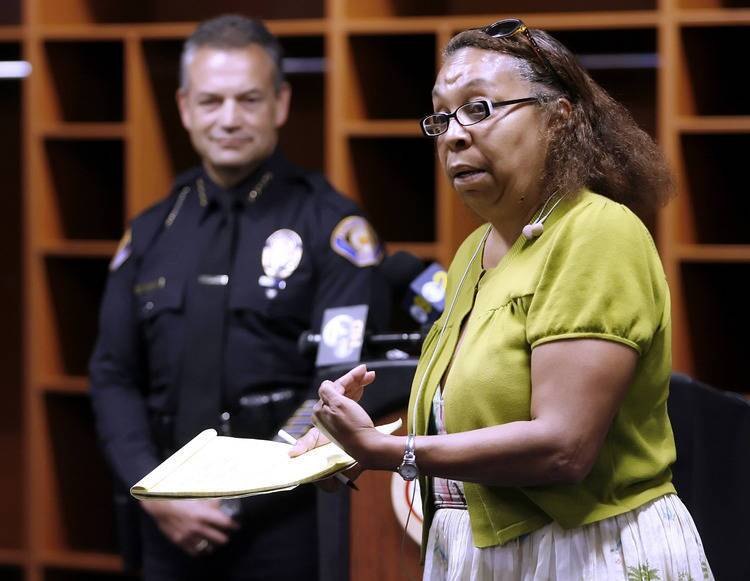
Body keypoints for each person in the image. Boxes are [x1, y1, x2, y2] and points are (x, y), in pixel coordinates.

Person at [292, 18, 714, 580]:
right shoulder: (475, 250)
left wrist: (393, 453)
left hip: (585, 553)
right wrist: (349, 442)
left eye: (480, 109)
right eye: (442, 117)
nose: (453, 135)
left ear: (559, 120)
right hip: (479, 552)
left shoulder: (597, 233)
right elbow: (471, 416)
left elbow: (564, 447)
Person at [89, 14, 386, 581]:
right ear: (184, 107)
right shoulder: (151, 232)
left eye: (248, 100)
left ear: (280, 103)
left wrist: (239, 497)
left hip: (285, 522)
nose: (229, 119)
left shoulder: (333, 230)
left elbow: (336, 383)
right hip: (164, 520)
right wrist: (156, 491)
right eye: (211, 101)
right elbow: (112, 374)